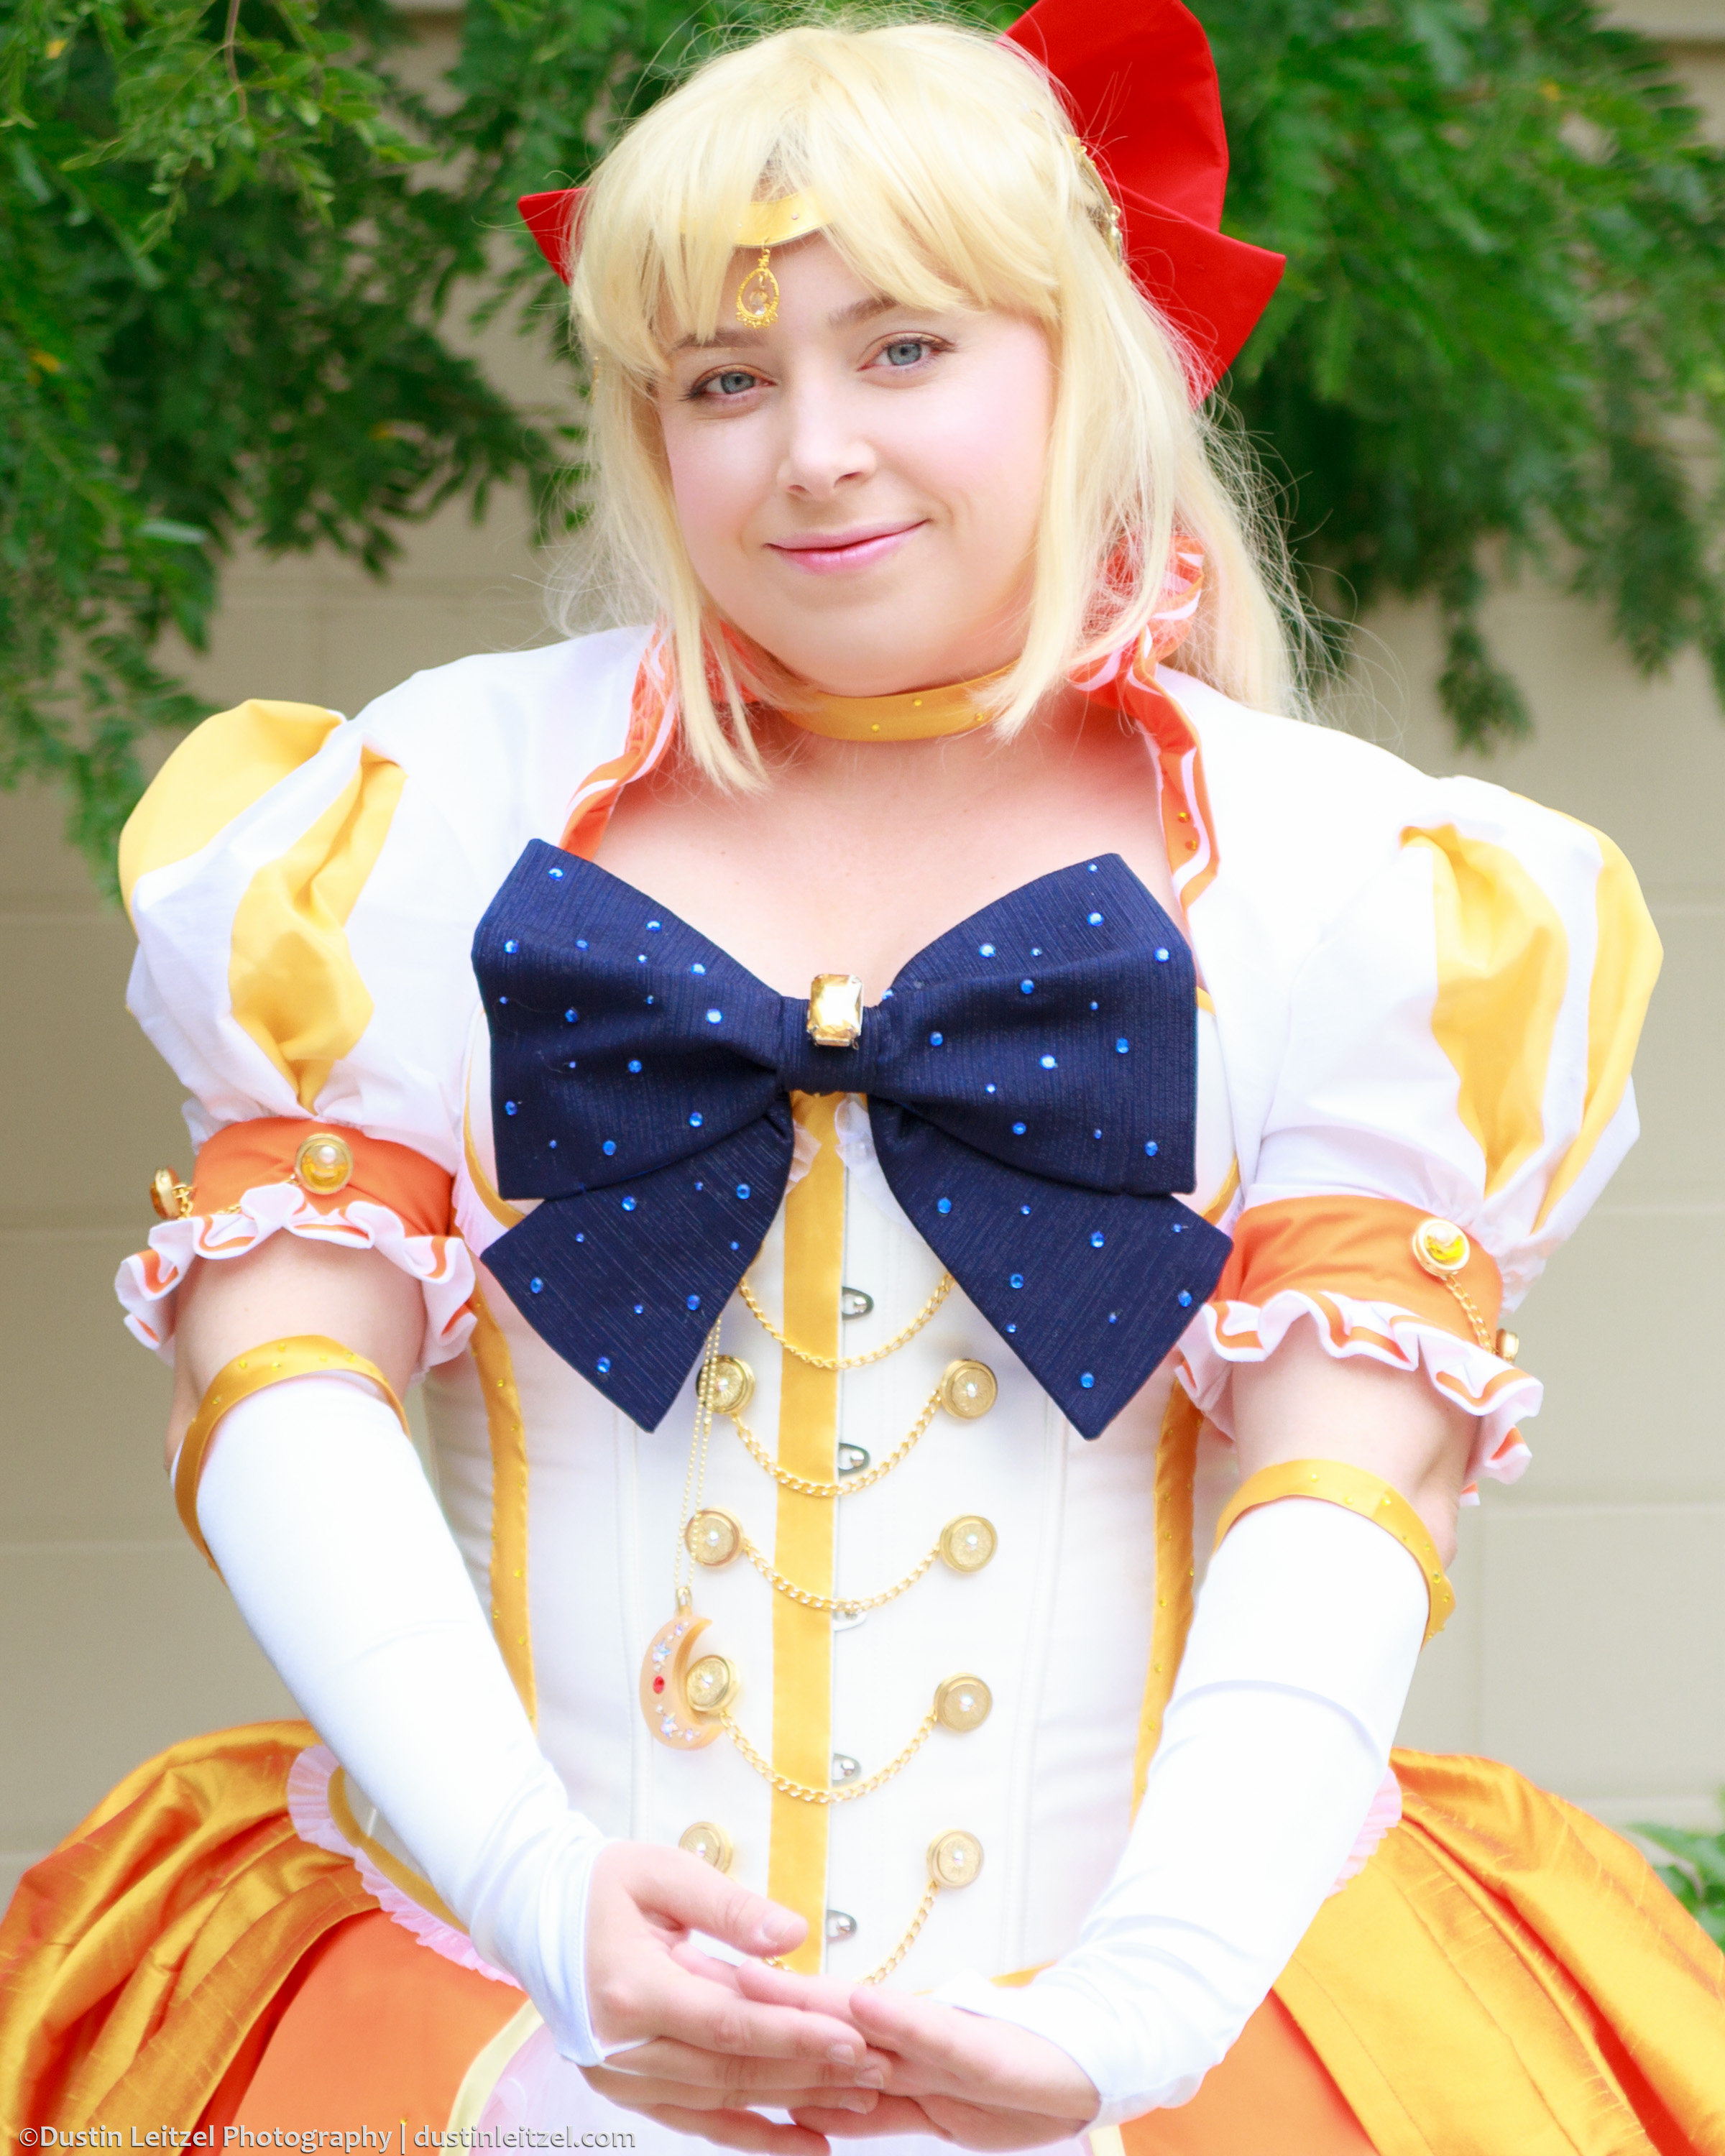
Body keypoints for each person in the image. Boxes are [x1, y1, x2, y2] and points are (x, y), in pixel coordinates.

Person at [4, 1, 1722, 2147]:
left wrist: (1146, 2009)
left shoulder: (1356, 883)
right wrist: (533, 1896)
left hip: (1182, 2032)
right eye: (722, 380)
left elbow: (1345, 1496)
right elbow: (282, 1384)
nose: (810, 449)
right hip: (487, 2015)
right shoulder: (432, 811)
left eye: (904, 348)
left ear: (1091, 363)